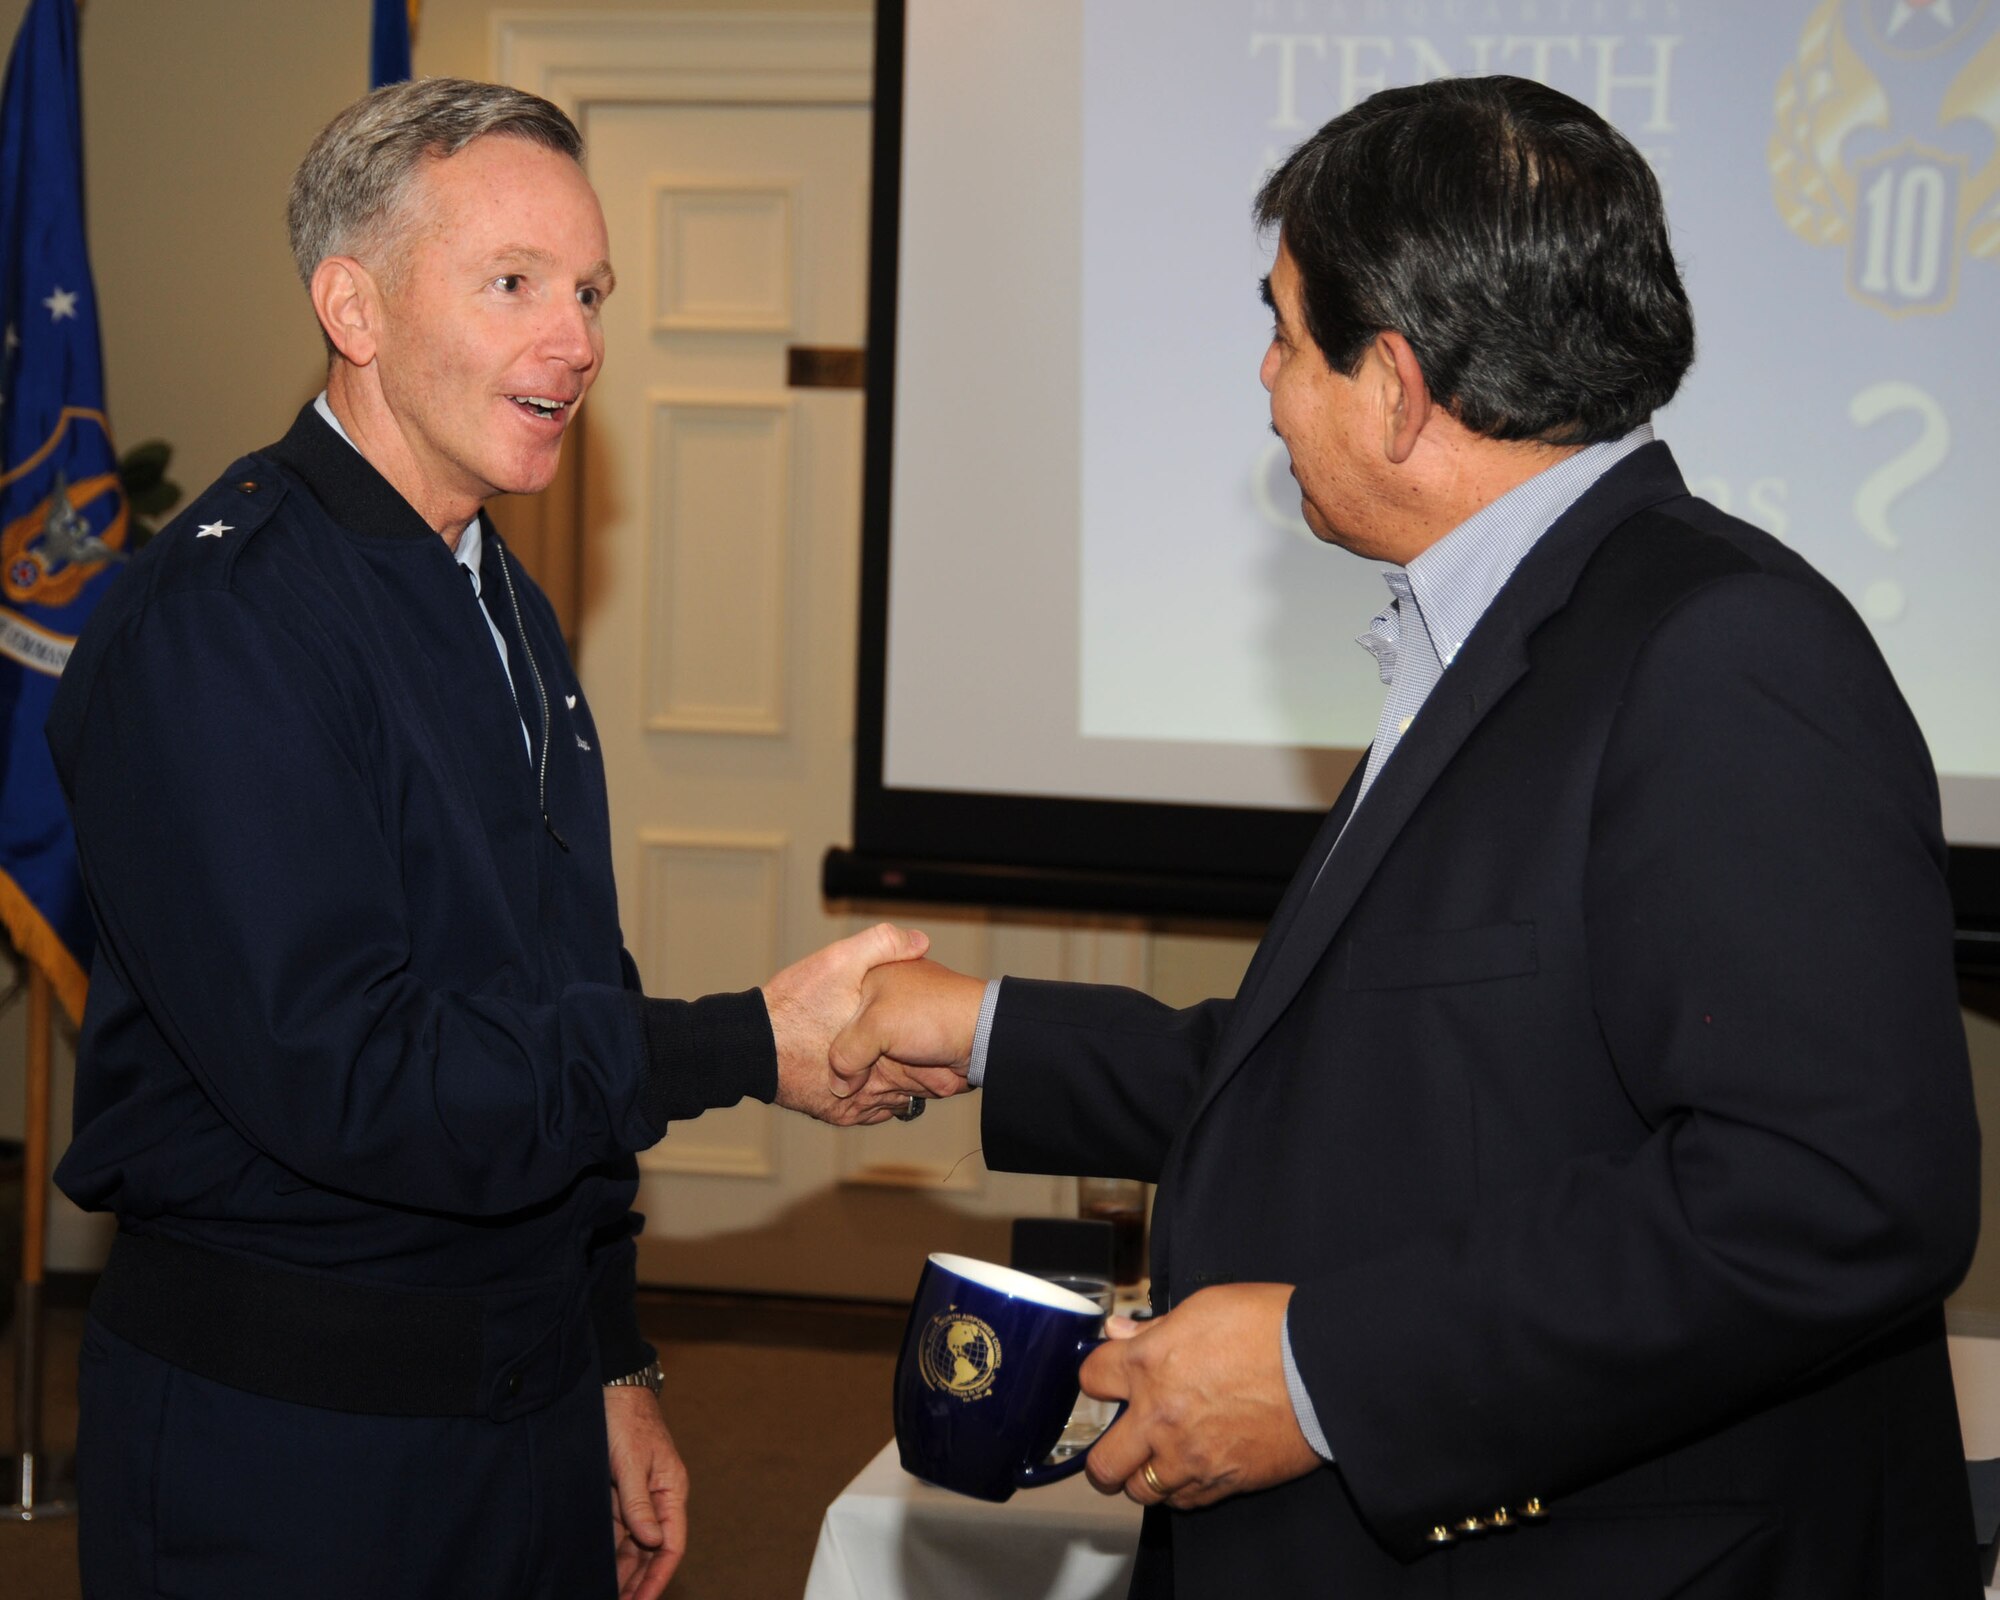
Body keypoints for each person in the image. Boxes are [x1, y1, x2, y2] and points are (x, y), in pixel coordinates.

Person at [834, 76, 1982, 1598]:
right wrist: (987, 1030)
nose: (1261, 381)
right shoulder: (1518, 630)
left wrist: (1318, 1371)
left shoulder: (1722, 652)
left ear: (1395, 384)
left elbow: (1833, 1191)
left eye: (1286, 333)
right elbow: (1384, 1081)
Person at [49, 78, 927, 1600]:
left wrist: (609, 1358)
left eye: (588, 291)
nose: (577, 338)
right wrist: (744, 1046)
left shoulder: (496, 594)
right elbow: (356, 1076)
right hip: (293, 1452)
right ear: (355, 306)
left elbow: (548, 986)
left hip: (514, 1414)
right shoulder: (223, 625)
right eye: (513, 284)